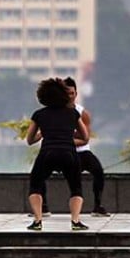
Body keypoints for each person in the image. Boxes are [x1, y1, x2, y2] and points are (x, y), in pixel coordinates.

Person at [25, 78, 89, 231]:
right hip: (69, 153)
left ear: (42, 96)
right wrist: (67, 137)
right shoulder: (73, 113)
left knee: (35, 185)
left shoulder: (39, 115)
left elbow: (29, 140)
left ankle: (37, 221)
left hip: (47, 152)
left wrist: (42, 134)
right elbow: (85, 137)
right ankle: (75, 221)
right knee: (76, 188)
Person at [38, 77, 109, 217]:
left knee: (98, 171)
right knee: (38, 173)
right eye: (66, 93)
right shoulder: (52, 112)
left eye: (72, 93)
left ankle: (97, 205)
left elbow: (84, 138)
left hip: (80, 152)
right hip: (59, 151)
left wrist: (65, 140)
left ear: (76, 94)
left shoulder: (83, 113)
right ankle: (43, 206)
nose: (69, 96)